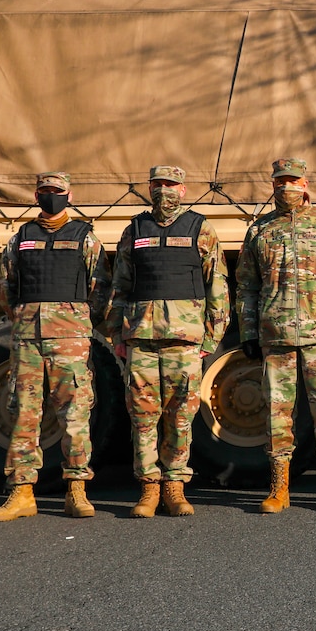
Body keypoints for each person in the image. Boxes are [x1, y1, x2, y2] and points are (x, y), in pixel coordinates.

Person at [236, 158, 316, 513]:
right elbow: (246, 285)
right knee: (277, 413)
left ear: (305, 184)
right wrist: (247, 330)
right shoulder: (260, 230)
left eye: (292, 180)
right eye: (279, 181)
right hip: (275, 335)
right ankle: (279, 487)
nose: (285, 187)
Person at [106, 165, 229, 518]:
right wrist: (117, 334)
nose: (164, 191)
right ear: (149, 188)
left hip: (184, 339)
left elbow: (217, 284)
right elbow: (121, 284)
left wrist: (213, 335)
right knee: (143, 417)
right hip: (141, 338)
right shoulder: (135, 229)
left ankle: (174, 486)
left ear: (184, 190)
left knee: (180, 416)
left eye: (171, 184)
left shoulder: (200, 229)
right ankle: (148, 489)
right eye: (158, 184)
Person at [0, 172, 111, 522]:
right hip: (27, 339)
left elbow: (100, 288)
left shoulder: (85, 238)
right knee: (23, 415)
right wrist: (22, 316)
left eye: (56, 192)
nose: (50, 196)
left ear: (69, 195)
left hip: (69, 340)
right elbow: (5, 284)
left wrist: (78, 322)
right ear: (36, 195)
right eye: (45, 191)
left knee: (74, 415)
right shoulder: (21, 238)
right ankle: (22, 492)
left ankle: (76, 490)